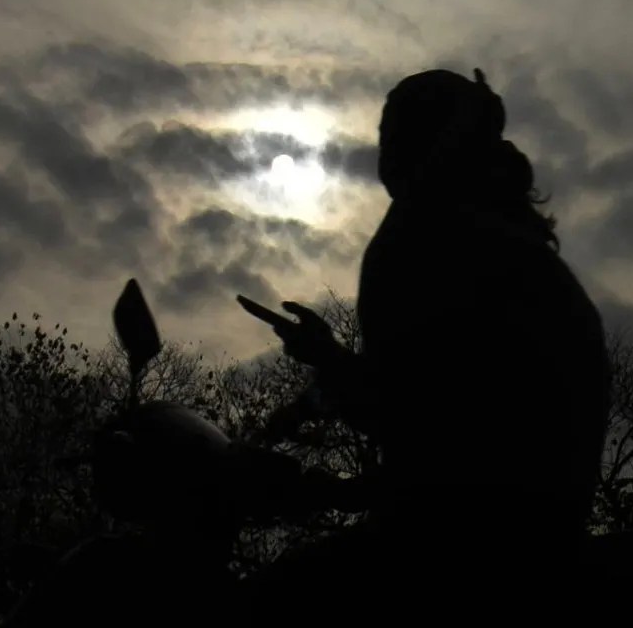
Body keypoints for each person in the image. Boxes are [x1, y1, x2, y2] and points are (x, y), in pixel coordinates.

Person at [239, 68, 612, 620]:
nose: (384, 150)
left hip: (467, 553)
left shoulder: (435, 240)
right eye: (383, 133)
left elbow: (416, 415)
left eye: (396, 131)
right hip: (526, 537)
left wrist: (328, 366)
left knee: (270, 601)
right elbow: (445, 417)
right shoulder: (502, 242)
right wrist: (327, 374)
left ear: (433, 140)